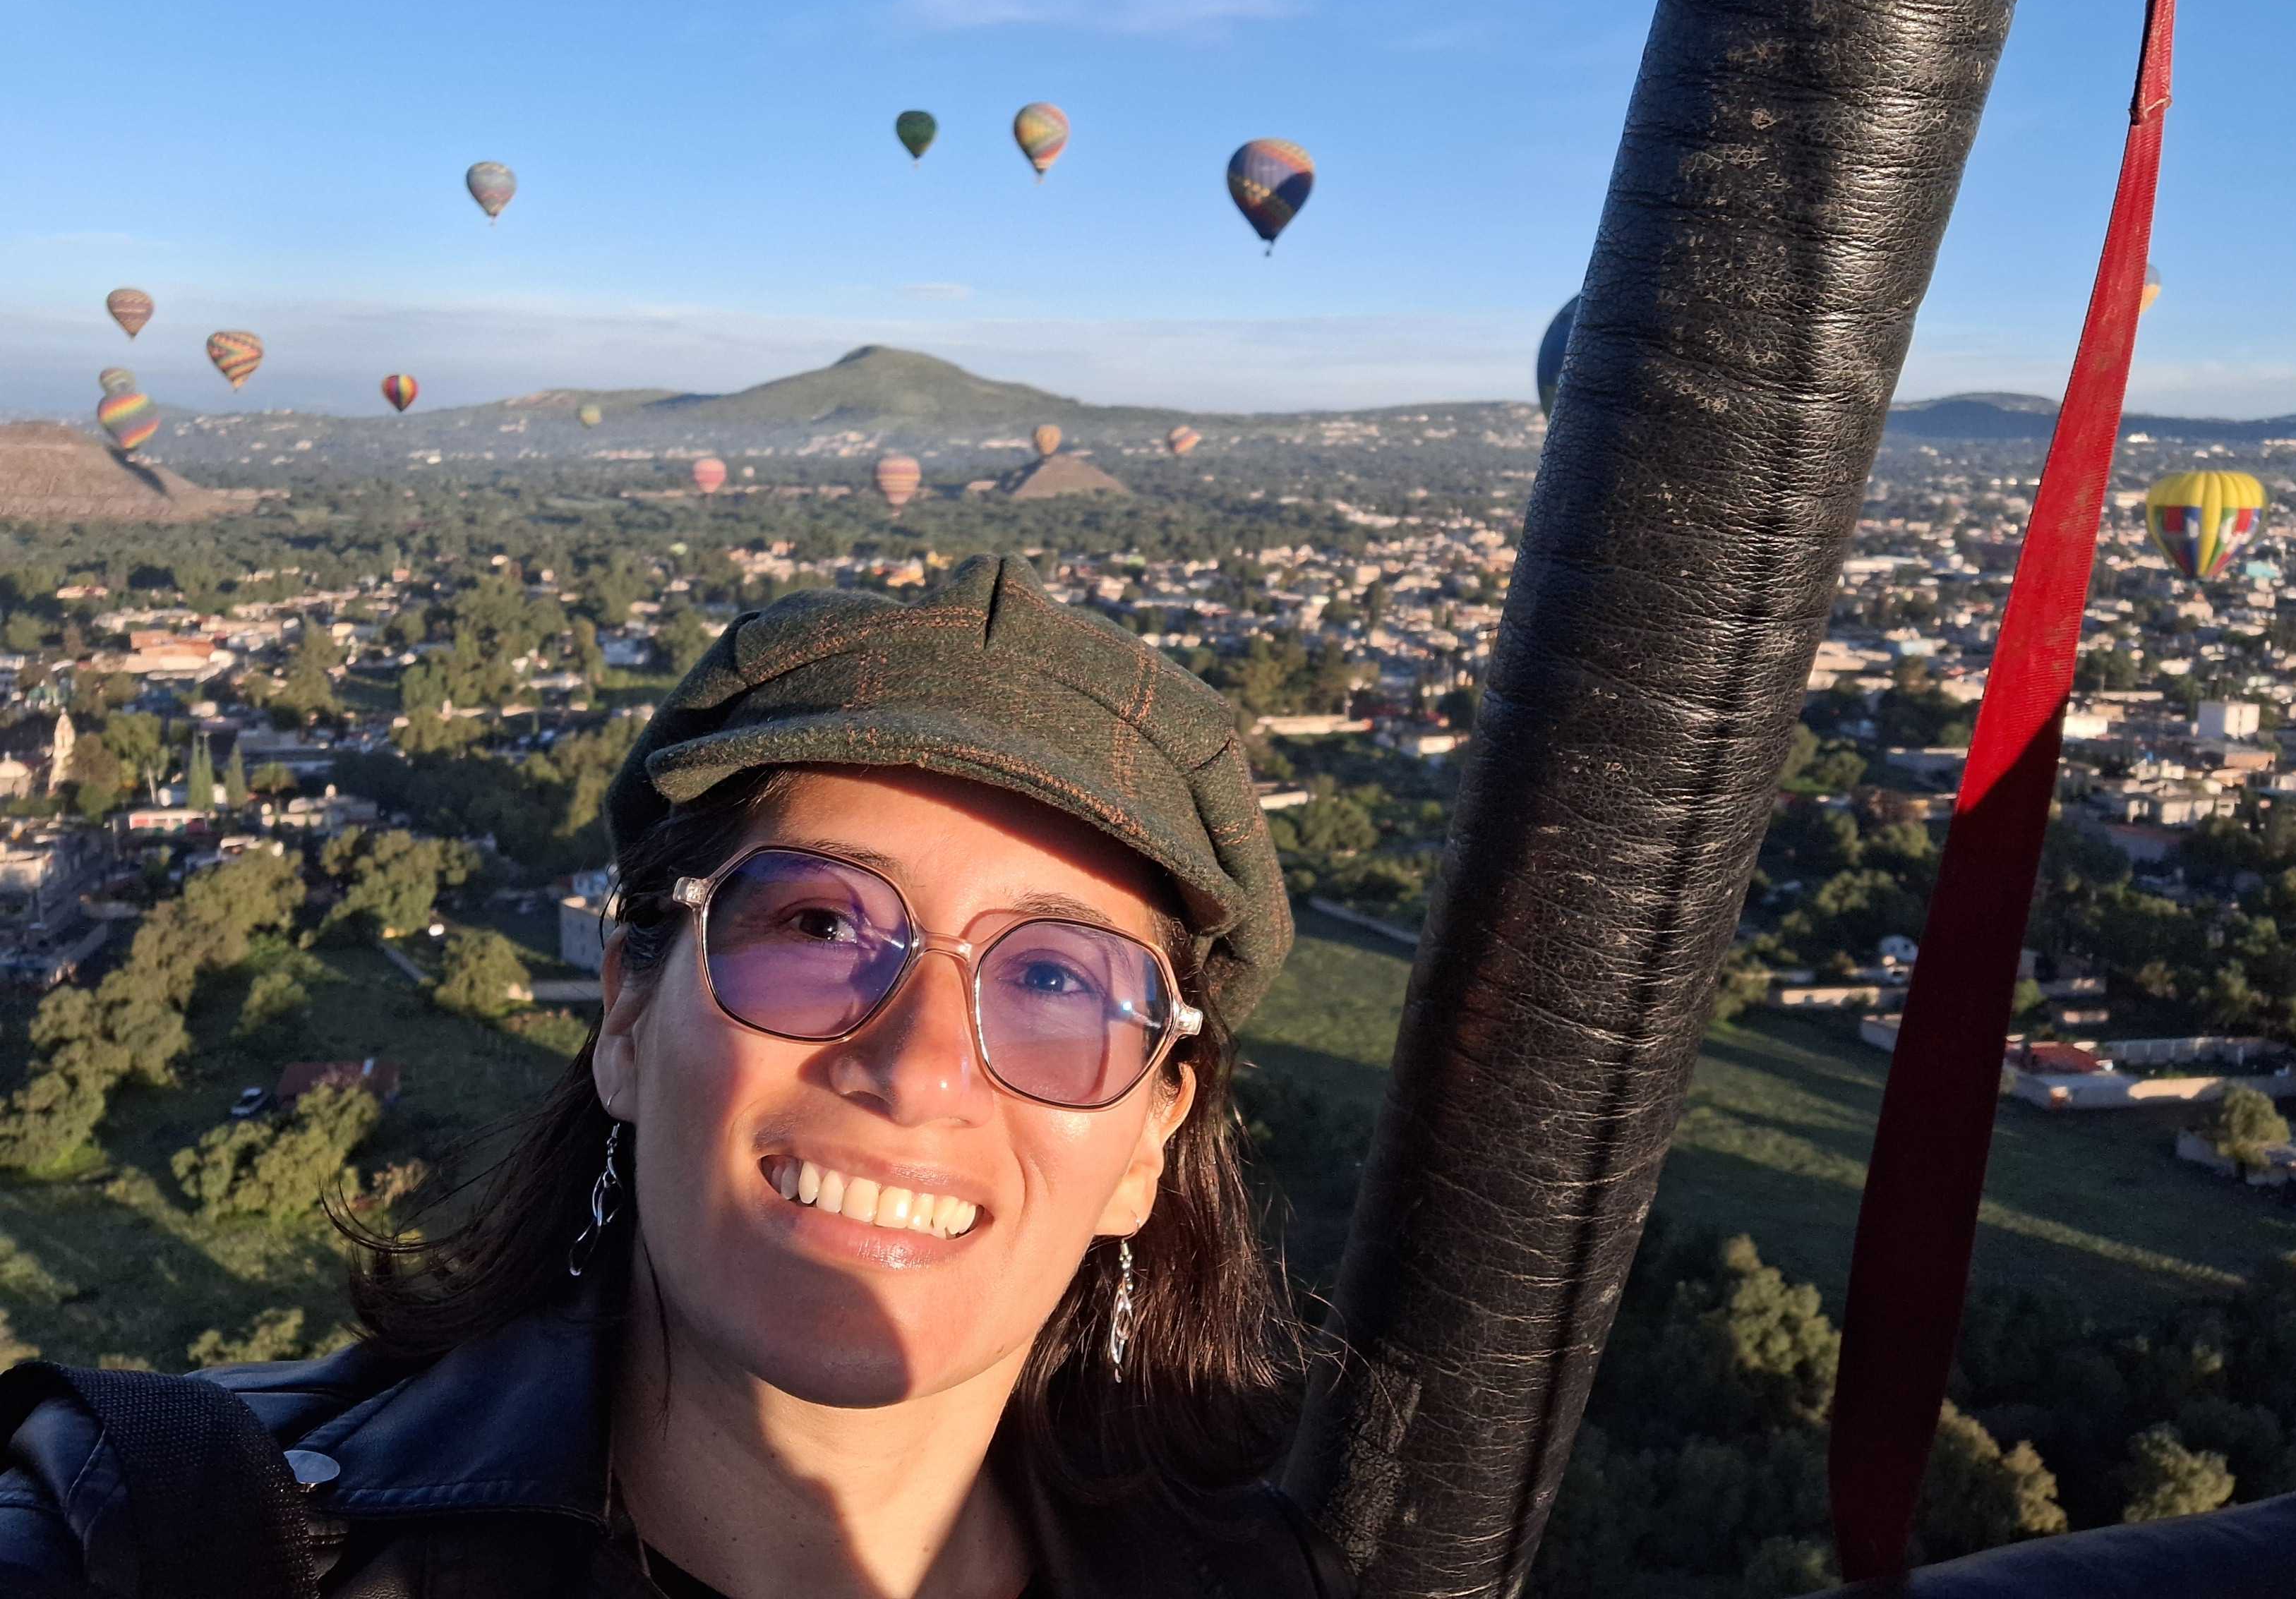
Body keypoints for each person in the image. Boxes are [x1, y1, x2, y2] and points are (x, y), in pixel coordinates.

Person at [0, 555, 1352, 1599]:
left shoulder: (1265, 1583)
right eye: (816, 926)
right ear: (629, 1012)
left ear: (1148, 1141)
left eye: (1057, 980)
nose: (920, 1067)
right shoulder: (175, 1529)